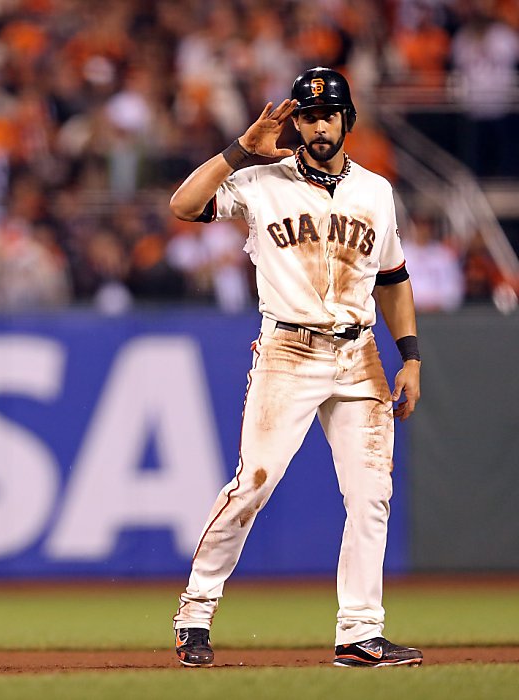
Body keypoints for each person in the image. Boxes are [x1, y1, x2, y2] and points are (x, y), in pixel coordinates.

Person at [167, 67, 423, 668]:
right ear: (296, 123)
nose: (317, 124)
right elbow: (183, 205)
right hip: (288, 350)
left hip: (360, 354)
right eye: (306, 115)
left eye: (327, 113)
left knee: (371, 496)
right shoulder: (260, 181)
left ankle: (360, 631)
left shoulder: (376, 192)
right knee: (251, 486)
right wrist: (237, 152)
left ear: (346, 120)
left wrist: (409, 355)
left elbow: (392, 279)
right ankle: (195, 612)